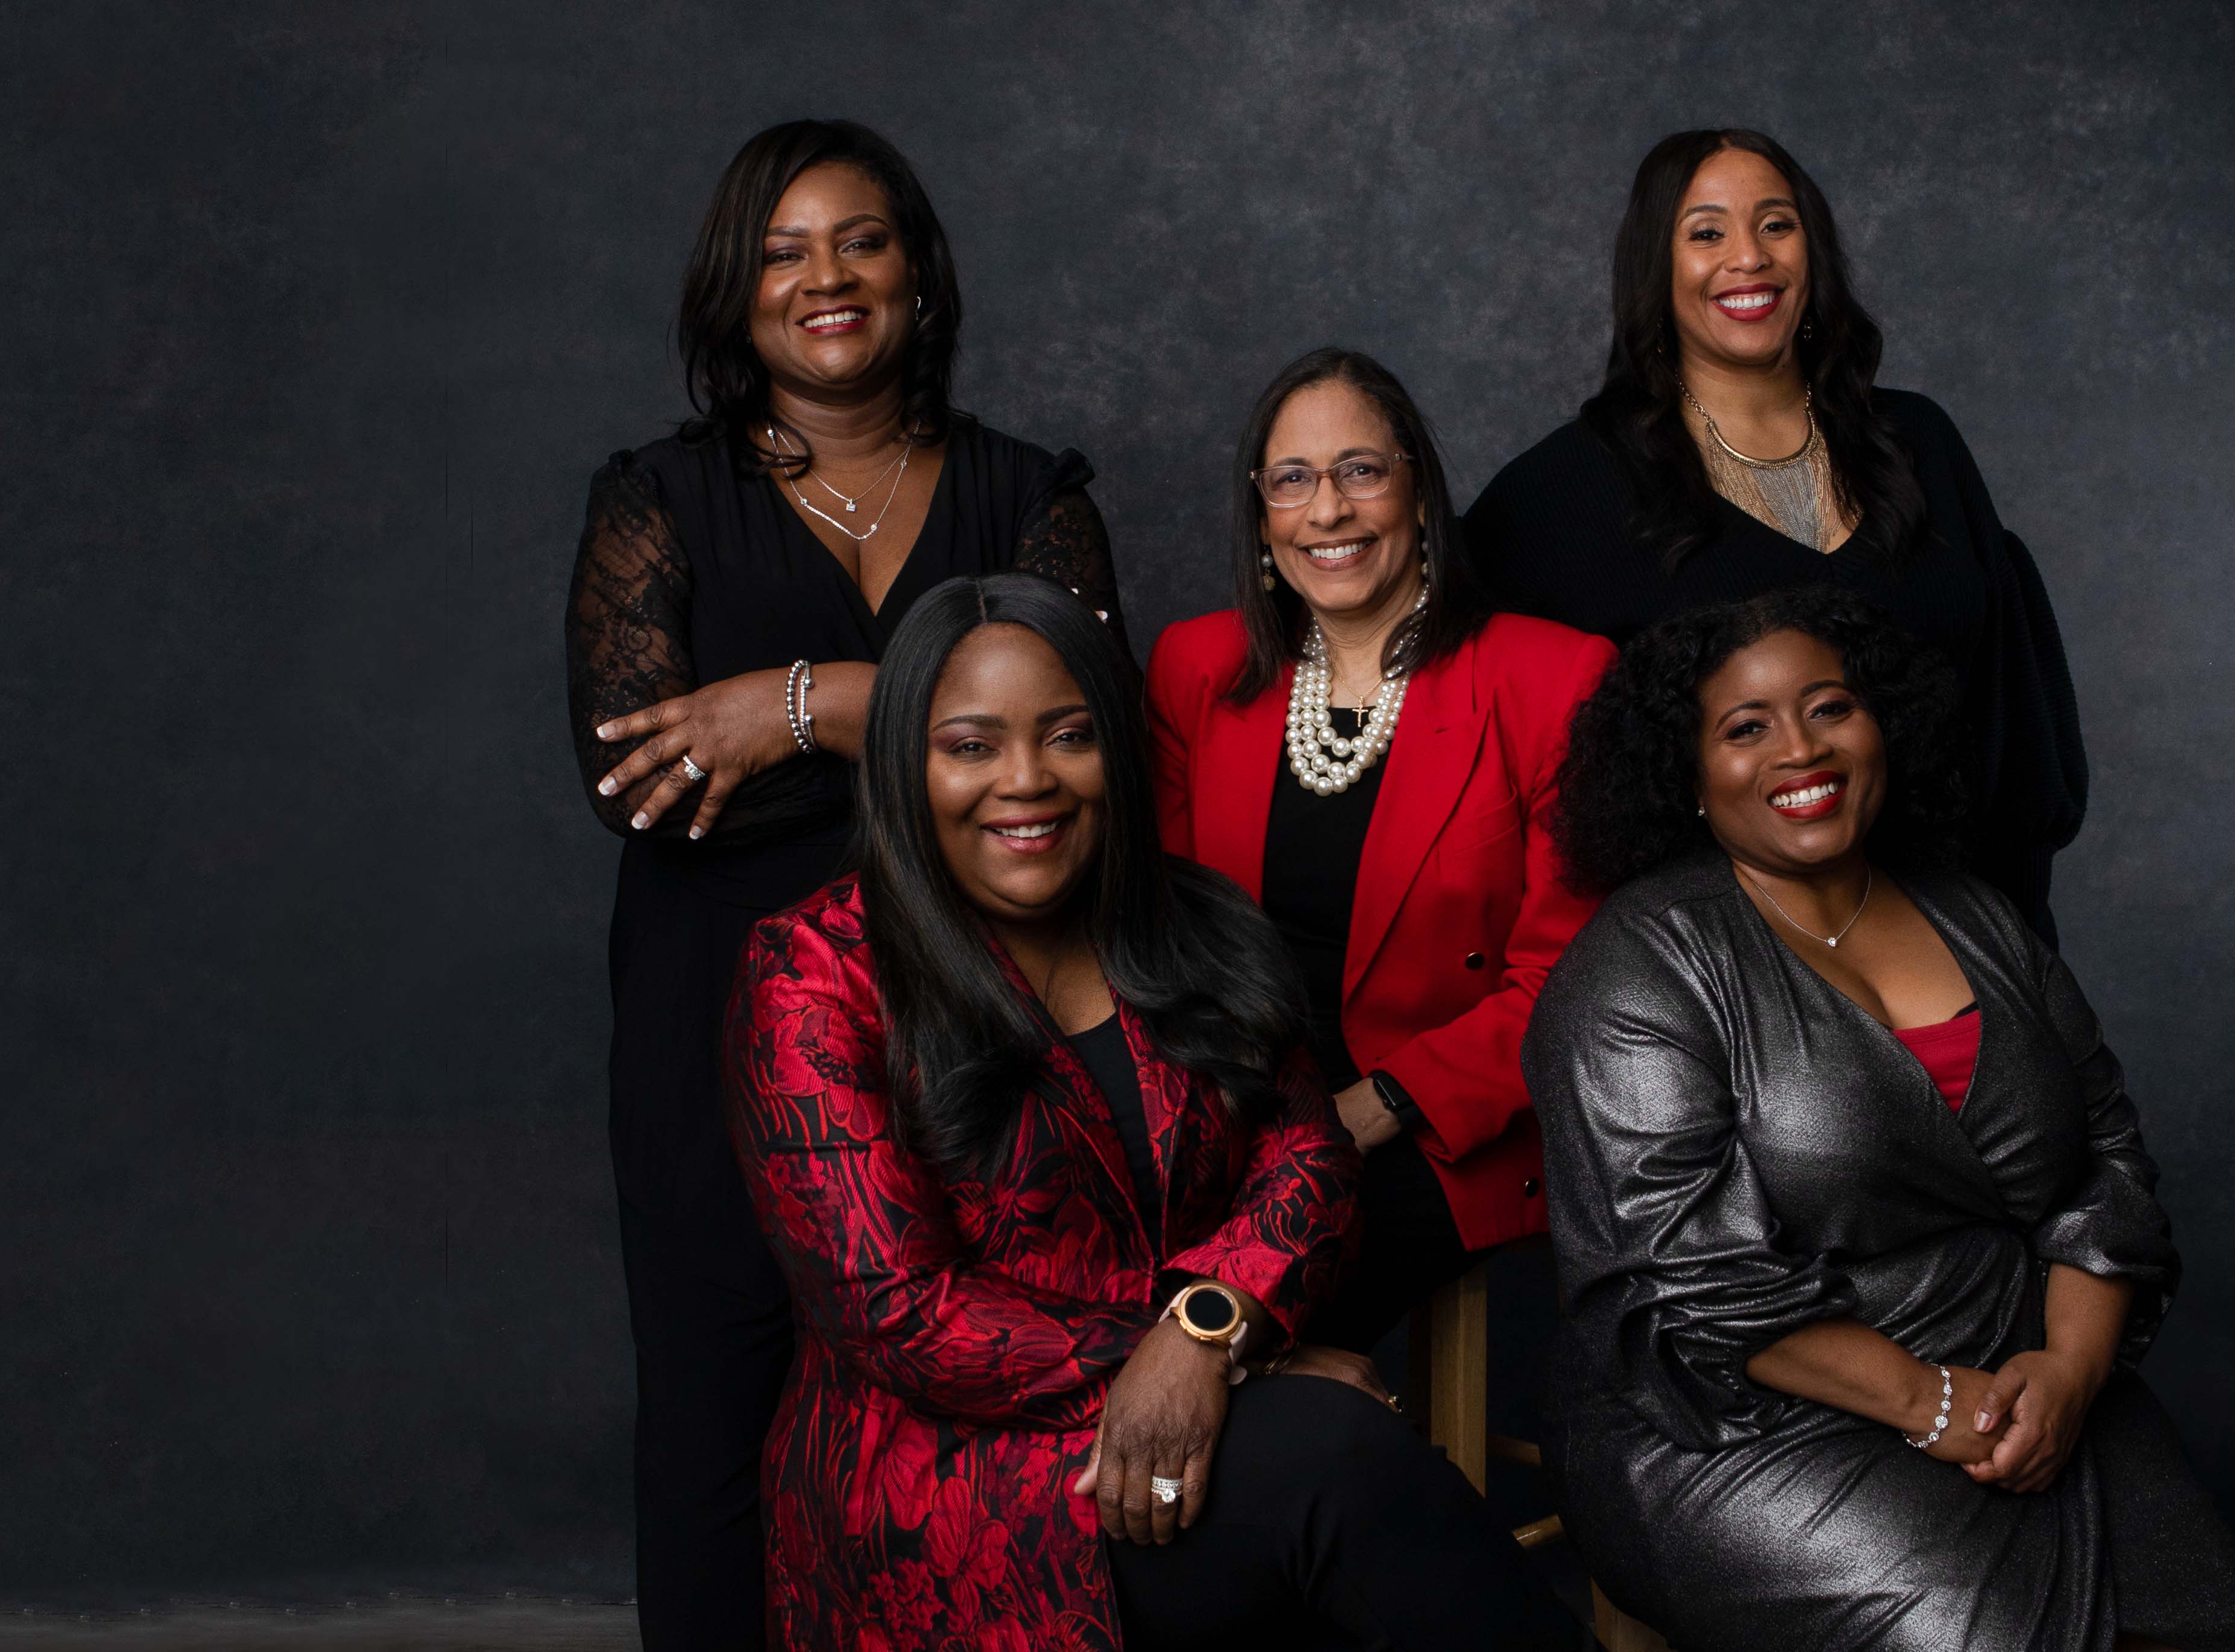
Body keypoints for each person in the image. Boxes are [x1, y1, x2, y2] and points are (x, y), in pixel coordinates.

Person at [728, 574, 1574, 1651]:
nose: (1027, 781)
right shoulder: (813, 974)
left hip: (1190, 1426)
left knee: (1335, 1470)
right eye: (971, 746)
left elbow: (1308, 1160)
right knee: (1331, 1453)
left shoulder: (1188, 922)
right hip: (955, 1483)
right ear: (905, 764)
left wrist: (1202, 1334)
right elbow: (899, 1310)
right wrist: (1214, 1357)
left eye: (1067, 734)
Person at [559, 119, 1121, 1651]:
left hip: (994, 996)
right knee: (715, 1392)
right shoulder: (655, 500)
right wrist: (948, 712)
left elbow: (1088, 726)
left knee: (973, 1367)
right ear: (735, 292)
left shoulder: (1028, 488)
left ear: (919, 276)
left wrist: (788, 705)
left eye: (860, 240)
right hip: (717, 1004)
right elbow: (637, 774)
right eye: (785, 250)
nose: (827, 278)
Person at [1525, 586, 2235, 1652]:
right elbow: (1688, 1283)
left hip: (2023, 1370)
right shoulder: (1637, 974)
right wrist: (1931, 1404)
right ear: (1685, 777)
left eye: (1828, 708)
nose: (1799, 749)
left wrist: (2067, 1372)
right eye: (1745, 728)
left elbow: (2106, 1163)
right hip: (1738, 1416)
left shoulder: (1975, 911)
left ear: (1883, 724)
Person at [1463, 127, 2091, 946]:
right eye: (1706, 232)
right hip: (1728, 971)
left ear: (1813, 250)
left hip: (1957, 934)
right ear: (1655, 265)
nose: (1747, 257)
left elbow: (2013, 726)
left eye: (1775, 224)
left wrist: (2012, 947)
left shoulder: (1919, 441)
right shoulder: (1562, 492)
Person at [1146, 348, 1616, 1370]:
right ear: (1263, 515)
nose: (1329, 510)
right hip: (1231, 1101)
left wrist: (1378, 1104)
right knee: (1071, 1272)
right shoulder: (1197, 666)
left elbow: (1570, 980)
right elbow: (1164, 933)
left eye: (1361, 470)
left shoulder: (1551, 678)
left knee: (1189, 1338)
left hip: (1435, 1129)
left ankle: (1275, 1391)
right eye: (1294, 479)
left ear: (1416, 489)